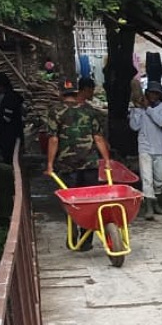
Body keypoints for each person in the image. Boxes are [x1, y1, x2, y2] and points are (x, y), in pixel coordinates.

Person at [45, 77, 110, 250]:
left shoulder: (55, 111)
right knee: (90, 202)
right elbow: (98, 138)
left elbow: (53, 139)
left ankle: (72, 228)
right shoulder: (89, 111)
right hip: (90, 164)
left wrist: (49, 164)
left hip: (67, 165)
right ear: (76, 92)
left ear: (61, 94)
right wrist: (106, 161)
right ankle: (86, 240)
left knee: (71, 201)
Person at [128, 85, 162, 220]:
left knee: (159, 180)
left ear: (159, 95)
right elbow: (134, 126)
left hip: (159, 148)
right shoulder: (140, 109)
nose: (152, 96)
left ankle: (156, 203)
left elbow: (160, 122)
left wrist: (148, 109)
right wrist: (136, 109)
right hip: (145, 148)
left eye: (155, 93)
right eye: (150, 93)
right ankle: (149, 207)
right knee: (147, 179)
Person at [0, 72, 26, 164]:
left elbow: (6, 118)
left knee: (10, 160)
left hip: (9, 136)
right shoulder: (12, 96)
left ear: (1, 86)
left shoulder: (9, 98)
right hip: (14, 134)